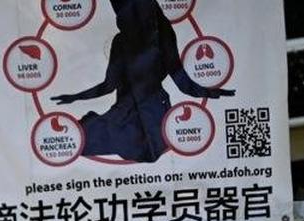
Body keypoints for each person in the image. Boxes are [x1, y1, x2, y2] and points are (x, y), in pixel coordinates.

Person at [51, 0, 234, 162]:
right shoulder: (121, 40)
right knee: (74, 141)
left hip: (154, 115)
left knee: (81, 140)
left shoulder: (161, 35)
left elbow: (180, 79)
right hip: (123, 115)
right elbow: (108, 86)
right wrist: (75, 97)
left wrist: (211, 92)